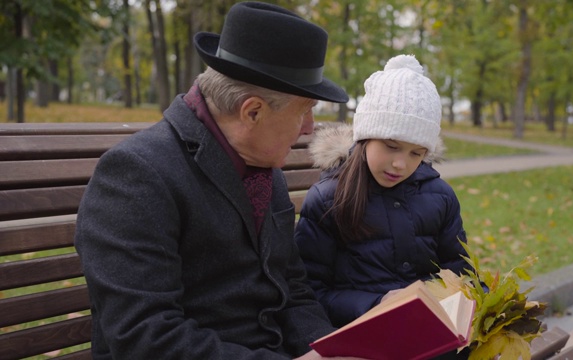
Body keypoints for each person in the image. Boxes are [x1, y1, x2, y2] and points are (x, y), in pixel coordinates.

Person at [75, 2, 366, 359]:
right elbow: (146, 335)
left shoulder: (261, 166)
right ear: (252, 111)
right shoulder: (135, 176)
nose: (310, 127)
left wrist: (328, 351)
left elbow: (291, 288)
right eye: (305, 110)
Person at [295, 55, 473, 358]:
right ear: (366, 136)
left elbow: (461, 272)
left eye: (416, 153)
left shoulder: (440, 196)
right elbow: (312, 293)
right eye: (391, 146)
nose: (400, 163)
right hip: (364, 341)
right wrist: (377, 303)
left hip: (431, 339)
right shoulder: (328, 199)